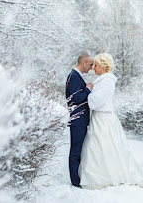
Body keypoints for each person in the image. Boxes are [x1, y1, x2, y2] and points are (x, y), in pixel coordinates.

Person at [78, 53, 143, 189]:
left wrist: (89, 93)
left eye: (96, 65)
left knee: (105, 147)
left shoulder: (106, 82)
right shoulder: (101, 81)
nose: (93, 68)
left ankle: (109, 175)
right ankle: (101, 173)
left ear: (103, 66)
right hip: (99, 118)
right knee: (99, 147)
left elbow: (95, 103)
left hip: (104, 119)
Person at [65, 53, 94, 188]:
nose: (91, 68)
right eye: (90, 64)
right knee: (76, 150)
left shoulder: (76, 77)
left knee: (78, 149)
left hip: (80, 120)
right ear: (83, 63)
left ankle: (77, 179)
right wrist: (88, 89)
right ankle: (75, 182)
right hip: (78, 121)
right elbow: (76, 99)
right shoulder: (74, 78)